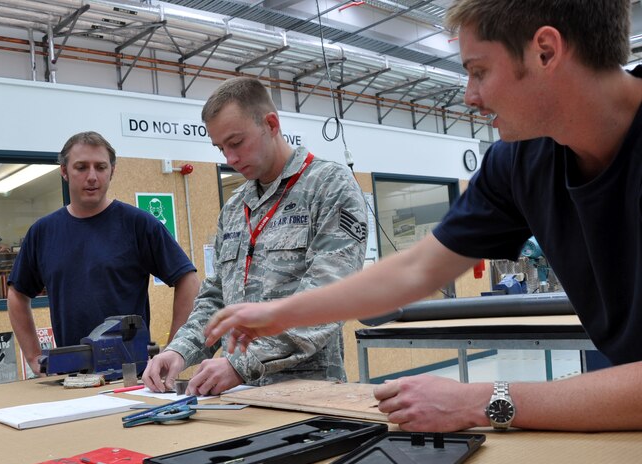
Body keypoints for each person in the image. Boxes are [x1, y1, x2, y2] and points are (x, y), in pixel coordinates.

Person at [204, 0, 642, 433]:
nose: (470, 96)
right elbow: (417, 268)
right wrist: (281, 313)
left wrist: (484, 400)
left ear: (545, 51)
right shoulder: (520, 161)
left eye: (479, 70)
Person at [142, 78, 368, 395]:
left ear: (271, 124)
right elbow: (215, 298)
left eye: (236, 143)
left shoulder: (328, 186)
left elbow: (329, 295)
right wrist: (178, 351)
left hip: (308, 392)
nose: (229, 159)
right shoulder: (236, 208)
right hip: (238, 395)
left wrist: (242, 364)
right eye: (221, 148)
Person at [7, 131, 199, 375]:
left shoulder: (138, 224)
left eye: (100, 167)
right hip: (71, 379)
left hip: (132, 376)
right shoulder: (43, 232)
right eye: (81, 167)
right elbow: (17, 294)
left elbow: (188, 280)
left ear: (112, 171)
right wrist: (34, 357)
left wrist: (174, 351)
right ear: (64, 172)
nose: (92, 177)